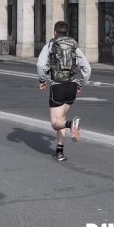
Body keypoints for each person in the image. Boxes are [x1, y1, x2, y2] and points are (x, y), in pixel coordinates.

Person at [37, 21, 91, 161]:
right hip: (72, 87)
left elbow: (41, 65)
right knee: (61, 118)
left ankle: (71, 124)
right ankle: (59, 151)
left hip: (58, 87)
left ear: (55, 32)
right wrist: (80, 83)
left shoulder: (50, 46)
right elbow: (87, 69)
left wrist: (42, 80)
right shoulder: (74, 47)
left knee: (56, 123)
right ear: (67, 33)